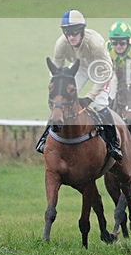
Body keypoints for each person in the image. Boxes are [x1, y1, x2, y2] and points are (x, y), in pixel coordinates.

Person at [35, 10, 122, 160]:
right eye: (67, 33)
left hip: (101, 69)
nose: (71, 37)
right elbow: (55, 72)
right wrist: (57, 90)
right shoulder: (60, 44)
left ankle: (114, 144)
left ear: (82, 31)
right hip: (80, 68)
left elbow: (105, 73)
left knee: (100, 104)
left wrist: (89, 97)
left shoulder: (95, 43)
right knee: (60, 101)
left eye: (74, 32)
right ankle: (44, 138)